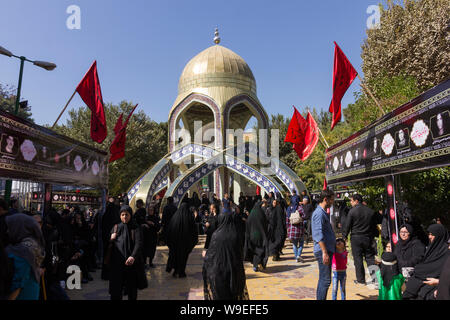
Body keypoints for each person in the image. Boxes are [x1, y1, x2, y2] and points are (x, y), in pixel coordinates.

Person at [202, 213, 250, 300]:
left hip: (218, 273)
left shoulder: (216, 235)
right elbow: (240, 254)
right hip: (234, 273)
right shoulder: (235, 234)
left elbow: (211, 255)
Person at [402, 224, 449, 300]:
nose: (430, 237)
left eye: (432, 234)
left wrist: (420, 270)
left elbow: (436, 268)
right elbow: (425, 264)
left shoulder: (446, 251)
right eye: (429, 234)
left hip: (435, 283)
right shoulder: (431, 248)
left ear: (439, 235)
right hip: (423, 278)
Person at [5, 214, 45, 300]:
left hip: (22, 295)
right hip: (31, 291)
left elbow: (19, 281)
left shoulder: (23, 250)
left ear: (19, 227)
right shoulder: (33, 244)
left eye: (10, 227)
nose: (8, 231)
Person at [109, 206, 143, 300]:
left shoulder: (135, 227)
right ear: (120, 216)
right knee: (116, 289)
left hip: (130, 264)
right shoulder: (116, 227)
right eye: (122, 215)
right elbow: (109, 245)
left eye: (126, 215)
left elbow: (138, 243)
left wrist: (133, 256)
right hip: (117, 264)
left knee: (132, 289)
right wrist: (111, 238)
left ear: (130, 215)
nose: (124, 217)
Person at [343, 194, 377, 285]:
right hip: (368, 237)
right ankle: (376, 279)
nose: (350, 203)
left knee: (358, 259)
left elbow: (348, 225)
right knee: (370, 258)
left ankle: (361, 280)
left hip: (356, 238)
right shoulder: (370, 211)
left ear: (356, 201)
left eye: (351, 201)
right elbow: (374, 226)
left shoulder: (352, 211)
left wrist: (344, 236)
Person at [311, 189, 336, 300]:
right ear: (326, 199)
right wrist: (324, 252)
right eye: (332, 200)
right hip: (323, 250)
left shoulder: (322, 212)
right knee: (325, 280)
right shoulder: (319, 213)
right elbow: (318, 234)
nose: (332, 202)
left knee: (324, 279)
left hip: (326, 249)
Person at [165, 203, 198, 278]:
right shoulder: (189, 217)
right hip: (185, 243)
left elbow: (169, 230)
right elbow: (194, 231)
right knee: (183, 257)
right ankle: (181, 271)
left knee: (175, 256)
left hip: (175, 243)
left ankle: (176, 270)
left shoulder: (175, 217)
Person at [244, 201, 269, 272]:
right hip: (260, 235)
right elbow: (265, 223)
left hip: (252, 235)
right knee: (260, 249)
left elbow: (248, 224)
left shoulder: (252, 213)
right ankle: (259, 263)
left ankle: (255, 265)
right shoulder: (261, 213)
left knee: (254, 249)